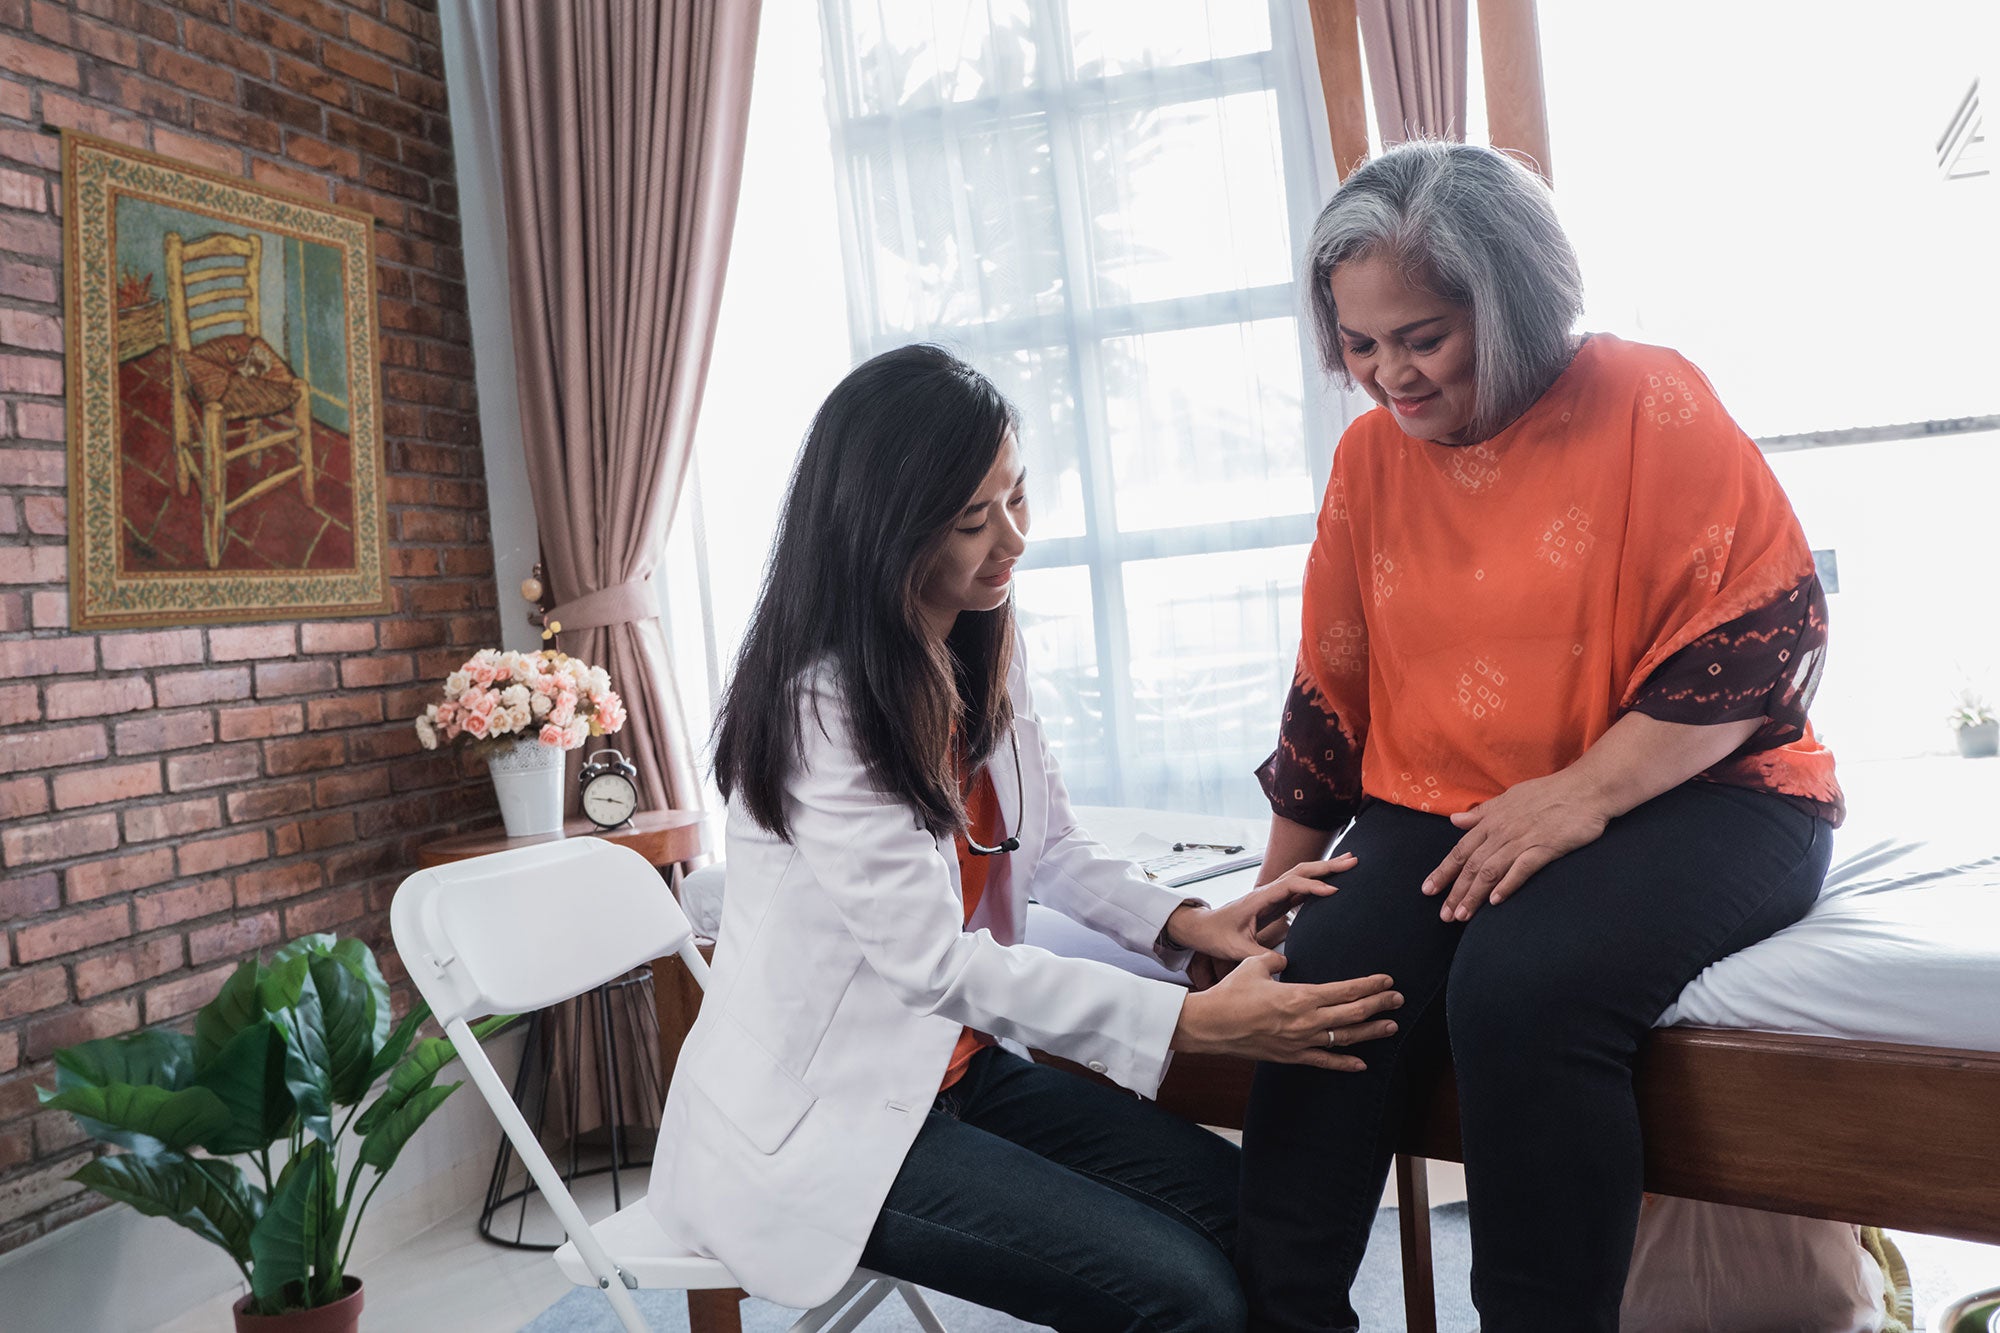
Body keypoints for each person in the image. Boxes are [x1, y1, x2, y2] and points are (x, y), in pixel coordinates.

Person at [646, 344, 1404, 1333]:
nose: (1011, 540)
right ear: (881, 531)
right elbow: (928, 962)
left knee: (1261, 1217)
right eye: (971, 520)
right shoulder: (821, 710)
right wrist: (1185, 1024)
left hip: (954, 1069)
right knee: (1185, 1296)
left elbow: (1046, 851)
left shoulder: (972, 639)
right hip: (830, 1124)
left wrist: (1187, 922)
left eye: (1016, 497)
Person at [1237, 140, 1845, 1333]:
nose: (1387, 377)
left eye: (1420, 337)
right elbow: (1332, 689)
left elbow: (1761, 629)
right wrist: (1271, 897)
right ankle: (1276, 1317)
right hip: (1445, 793)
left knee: (1523, 988)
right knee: (1319, 986)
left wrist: (1584, 793)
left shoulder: (1647, 397)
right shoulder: (1368, 460)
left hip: (1708, 788)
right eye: (1358, 346)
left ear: (1508, 298)